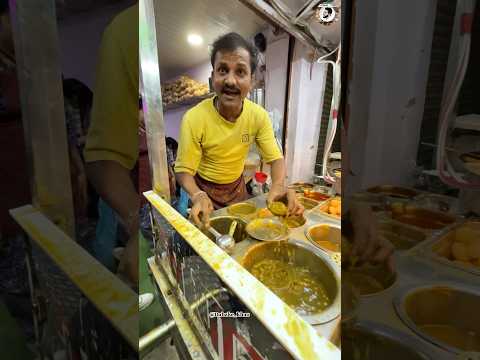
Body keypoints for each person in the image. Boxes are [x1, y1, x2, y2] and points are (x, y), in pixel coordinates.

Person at [175, 32, 304, 228]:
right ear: (212, 78)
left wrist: (278, 185)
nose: (230, 81)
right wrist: (197, 194)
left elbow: (276, 159)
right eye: (222, 70)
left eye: (240, 72)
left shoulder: (258, 116)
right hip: (202, 193)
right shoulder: (193, 118)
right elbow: (183, 170)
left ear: (251, 81)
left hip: (237, 190)